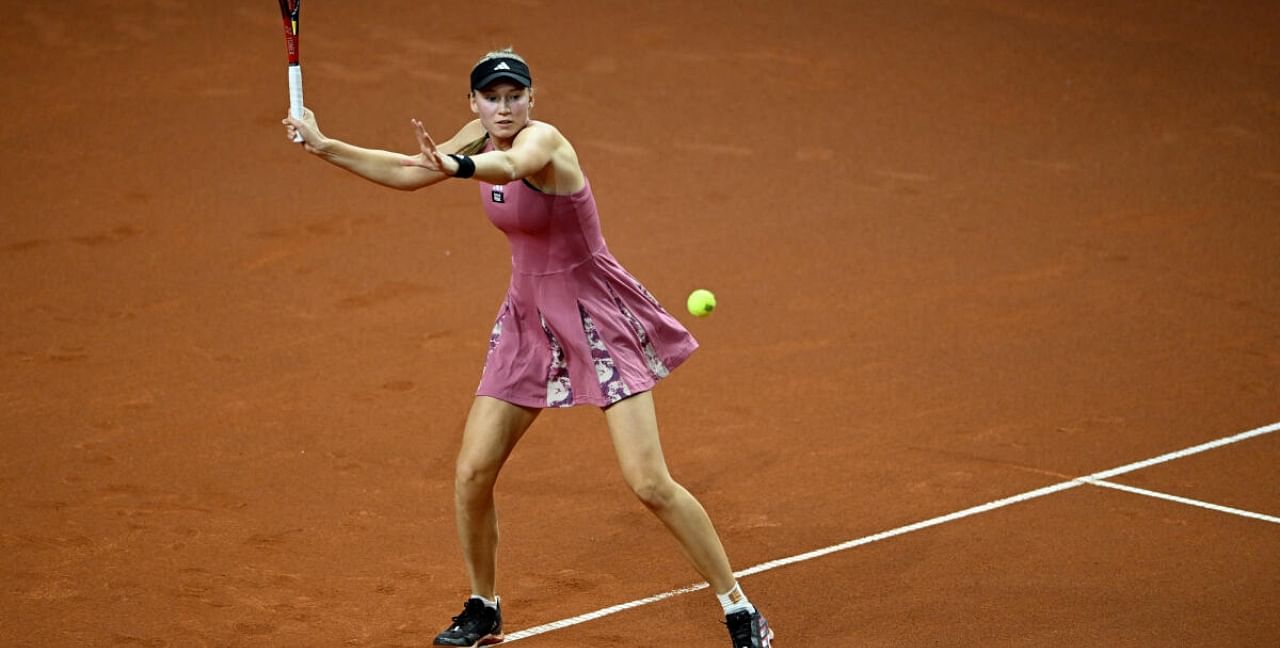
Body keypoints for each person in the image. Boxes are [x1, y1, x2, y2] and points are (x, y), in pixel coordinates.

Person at [284, 48, 774, 648]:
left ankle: (738, 608)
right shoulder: (474, 136)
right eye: (491, 97)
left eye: (515, 95)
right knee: (472, 472)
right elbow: (409, 172)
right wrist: (324, 144)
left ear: (532, 99)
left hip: (596, 315)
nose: (504, 106)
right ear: (474, 103)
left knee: (649, 482)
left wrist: (461, 168)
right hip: (527, 319)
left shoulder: (542, 142)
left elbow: (512, 167)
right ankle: (483, 605)